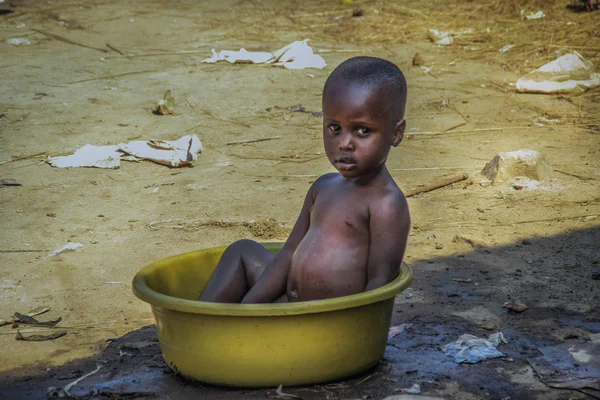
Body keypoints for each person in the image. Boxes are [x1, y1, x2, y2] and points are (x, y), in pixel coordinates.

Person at [199, 56, 411, 304]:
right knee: (242, 250)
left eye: (363, 130)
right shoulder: (323, 187)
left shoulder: (385, 204)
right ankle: (198, 324)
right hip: (288, 306)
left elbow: (378, 285)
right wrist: (250, 307)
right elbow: (288, 254)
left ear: (396, 133)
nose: (344, 143)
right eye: (334, 128)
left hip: (330, 322)